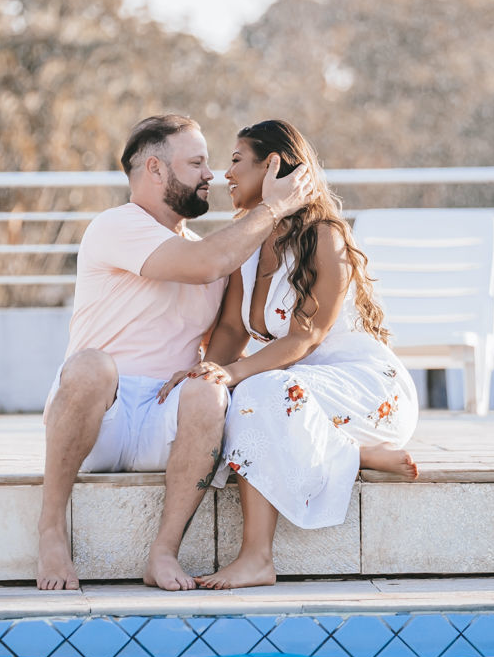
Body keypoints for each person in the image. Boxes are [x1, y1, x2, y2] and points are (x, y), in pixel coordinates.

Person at [37, 113, 313, 593]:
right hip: (102, 417)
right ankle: (51, 532)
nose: (211, 175)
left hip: (166, 422)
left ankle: (163, 553)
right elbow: (205, 264)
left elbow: (229, 331)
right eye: (197, 163)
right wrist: (273, 207)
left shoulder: (213, 251)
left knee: (209, 390)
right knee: (90, 365)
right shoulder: (116, 226)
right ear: (155, 169)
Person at [158, 119, 419, 590]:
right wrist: (207, 373)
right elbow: (234, 328)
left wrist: (233, 374)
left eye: (237, 160)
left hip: (363, 388)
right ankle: (351, 455)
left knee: (256, 391)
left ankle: (256, 558)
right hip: (294, 388)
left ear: (273, 165)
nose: (225, 174)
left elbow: (306, 337)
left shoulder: (324, 236)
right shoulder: (249, 240)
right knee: (234, 397)